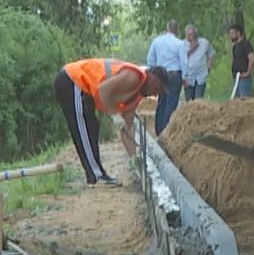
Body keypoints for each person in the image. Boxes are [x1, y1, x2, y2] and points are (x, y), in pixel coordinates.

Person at [55, 58, 171, 186]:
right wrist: (115, 116)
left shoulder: (136, 97)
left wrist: (136, 159)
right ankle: (96, 176)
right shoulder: (134, 76)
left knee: (92, 128)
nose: (155, 95)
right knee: (83, 129)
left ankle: (97, 173)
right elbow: (103, 89)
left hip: (82, 89)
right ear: (153, 78)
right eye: (158, 89)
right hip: (73, 80)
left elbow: (127, 131)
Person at [144, 20, 186, 133]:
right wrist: (185, 77)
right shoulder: (180, 43)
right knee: (171, 102)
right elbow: (183, 61)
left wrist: (154, 72)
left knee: (161, 102)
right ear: (177, 30)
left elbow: (150, 59)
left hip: (160, 75)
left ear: (167, 29)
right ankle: (167, 130)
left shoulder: (157, 41)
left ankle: (158, 129)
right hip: (175, 74)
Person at [183, 24, 215, 100]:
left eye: (190, 34)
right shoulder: (183, 45)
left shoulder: (204, 43)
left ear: (195, 35)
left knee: (198, 100)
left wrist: (208, 66)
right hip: (188, 77)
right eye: (187, 35)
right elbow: (181, 60)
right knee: (189, 101)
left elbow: (211, 54)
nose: (188, 37)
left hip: (201, 76)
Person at [227, 25, 254, 99]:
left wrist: (247, 73)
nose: (230, 36)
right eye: (230, 34)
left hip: (244, 78)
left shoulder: (245, 45)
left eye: (232, 33)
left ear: (238, 33)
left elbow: (252, 58)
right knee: (236, 100)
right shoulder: (235, 47)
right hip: (236, 77)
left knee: (244, 99)